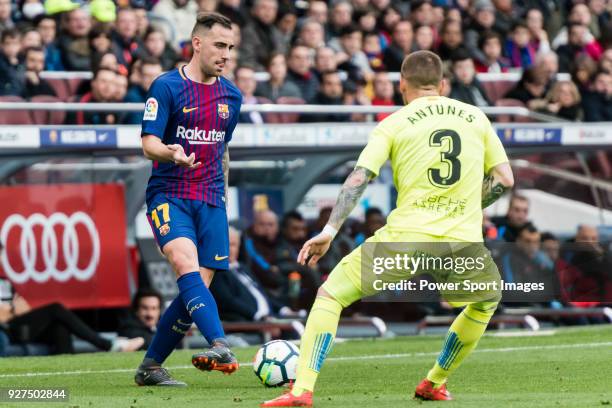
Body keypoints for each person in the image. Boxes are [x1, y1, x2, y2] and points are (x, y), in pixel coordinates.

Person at [262, 50, 514, 406]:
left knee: (331, 296)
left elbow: (359, 177)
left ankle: (302, 389)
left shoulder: (394, 123)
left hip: (406, 240)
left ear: (401, 85)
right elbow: (505, 178)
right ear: (443, 85)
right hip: (462, 242)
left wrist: (330, 230)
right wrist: (469, 208)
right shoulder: (476, 117)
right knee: (484, 302)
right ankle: (434, 382)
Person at [135, 12, 242, 387]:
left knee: (194, 288)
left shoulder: (232, 95)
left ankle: (150, 367)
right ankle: (220, 344)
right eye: (219, 45)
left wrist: (223, 197)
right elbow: (148, 143)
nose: (226, 54)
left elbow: (222, 149)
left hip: (212, 198)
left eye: (230, 47)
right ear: (197, 43)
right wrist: (171, 152)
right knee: (185, 265)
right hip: (170, 194)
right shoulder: (166, 87)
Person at [0, 244, 144, 355]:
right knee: (55, 309)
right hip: (5, 331)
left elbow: (25, 309)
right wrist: (12, 310)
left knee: (60, 327)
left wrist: (10, 311)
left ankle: (65, 376)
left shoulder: (5, 282)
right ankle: (107, 344)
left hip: (17, 326)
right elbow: (6, 315)